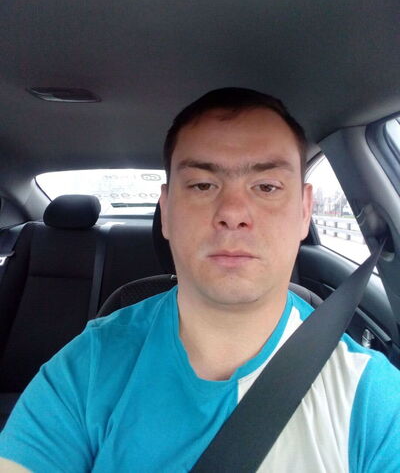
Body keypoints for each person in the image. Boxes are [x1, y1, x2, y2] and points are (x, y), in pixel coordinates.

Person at [0, 88, 399, 472]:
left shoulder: (373, 398)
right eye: (203, 185)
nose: (233, 213)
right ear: (166, 211)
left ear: (304, 211)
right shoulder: (87, 367)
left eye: (267, 186)